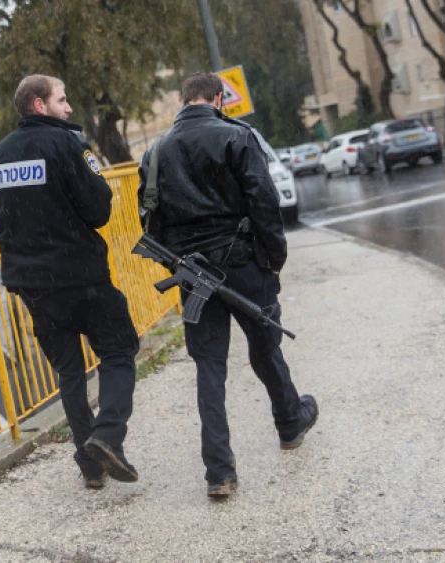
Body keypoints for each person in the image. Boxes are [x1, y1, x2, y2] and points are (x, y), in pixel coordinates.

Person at [137, 72, 319, 498]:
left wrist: (181, 259)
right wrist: (274, 257)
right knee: (265, 344)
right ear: (219, 99)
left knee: (209, 367)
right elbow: (263, 200)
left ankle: (219, 471)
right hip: (244, 265)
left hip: (194, 273)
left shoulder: (156, 151)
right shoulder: (236, 136)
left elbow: (149, 218)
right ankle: (290, 421)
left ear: (183, 101)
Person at [0, 75, 141, 489]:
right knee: (120, 350)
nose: (69, 108)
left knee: (70, 372)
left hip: (35, 287)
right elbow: (97, 211)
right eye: (62, 99)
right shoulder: (68, 144)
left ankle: (90, 467)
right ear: (40, 105)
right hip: (81, 276)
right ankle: (107, 435)